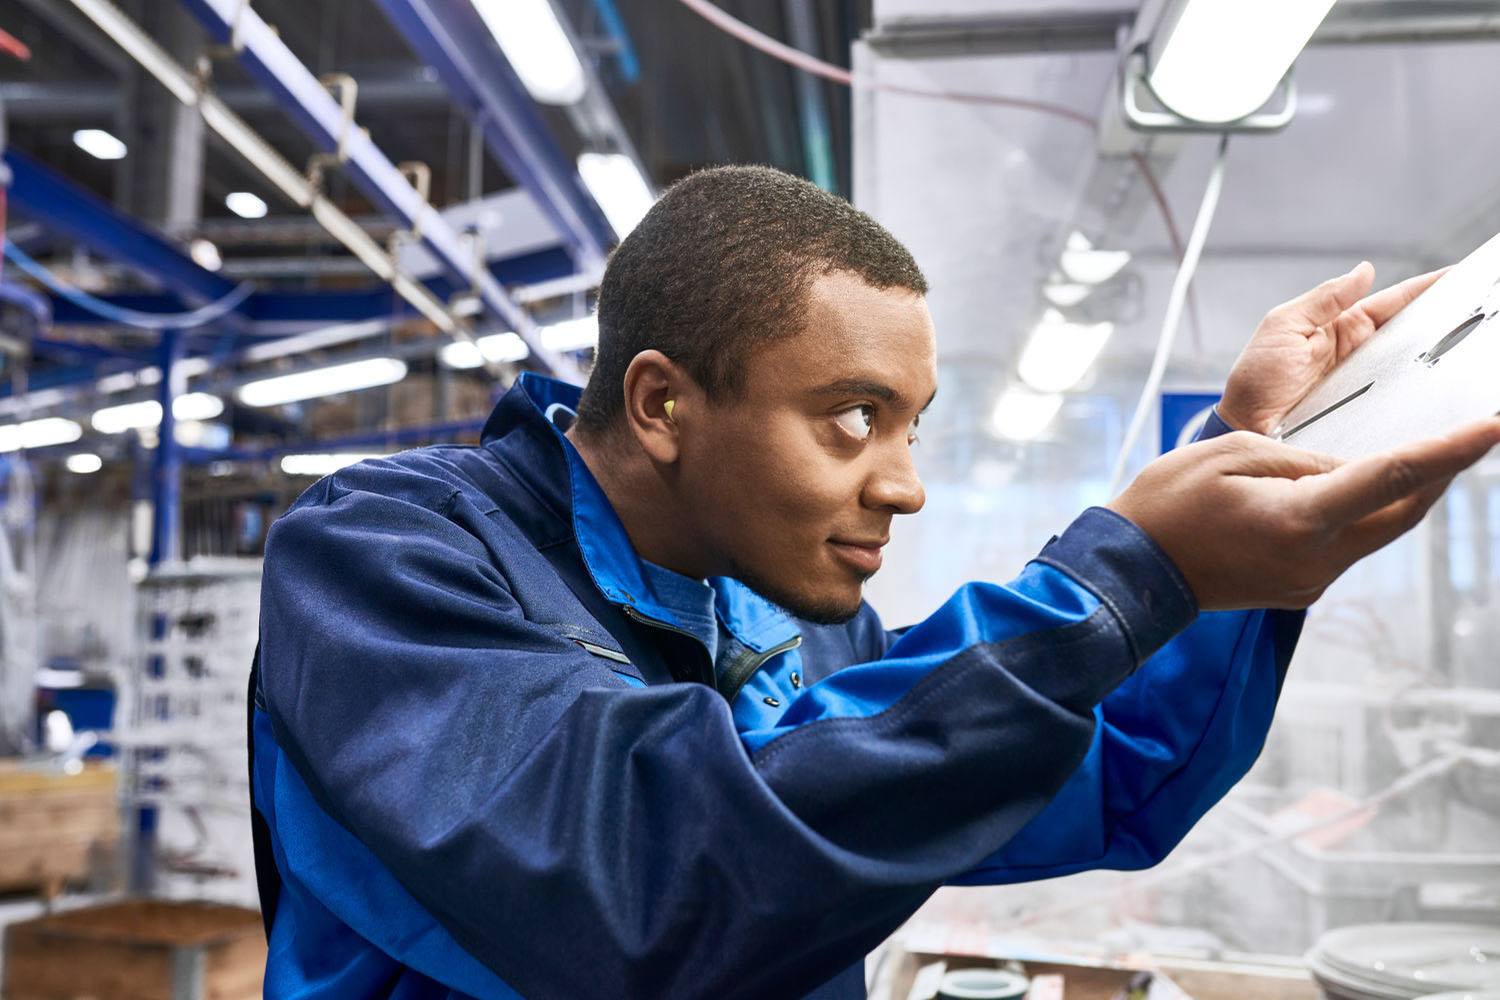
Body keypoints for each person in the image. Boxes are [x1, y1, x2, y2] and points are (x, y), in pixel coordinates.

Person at [248, 166, 1499, 1000]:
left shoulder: (778, 619)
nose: (903, 485)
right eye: (852, 417)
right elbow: (632, 880)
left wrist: (1251, 490)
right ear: (663, 402)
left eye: (912, 425)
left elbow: (1100, 772)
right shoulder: (389, 559)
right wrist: (1122, 573)